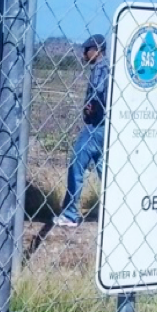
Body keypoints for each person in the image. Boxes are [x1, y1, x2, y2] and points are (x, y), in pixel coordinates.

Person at [54, 33, 110, 227]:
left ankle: (70, 214)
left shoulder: (102, 68)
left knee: (77, 163)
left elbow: (100, 92)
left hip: (96, 126)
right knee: (104, 167)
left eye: (86, 50)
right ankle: (116, 207)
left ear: (97, 50)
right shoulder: (103, 67)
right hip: (105, 127)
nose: (84, 54)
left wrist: (92, 106)